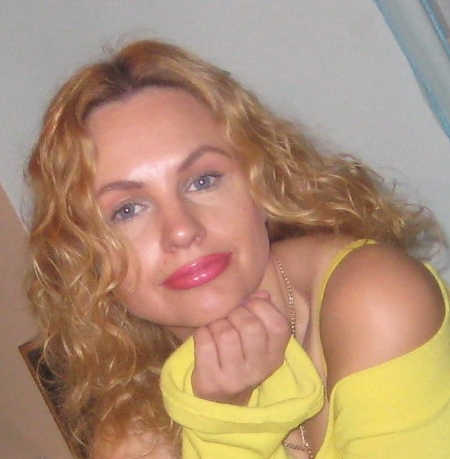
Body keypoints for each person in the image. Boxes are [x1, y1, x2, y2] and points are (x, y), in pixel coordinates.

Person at [25, 39, 450, 459]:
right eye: (127, 210)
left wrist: (223, 431)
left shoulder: (375, 298)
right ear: (87, 257)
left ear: (260, 182)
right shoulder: (134, 434)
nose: (181, 230)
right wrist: (223, 417)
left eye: (203, 180)